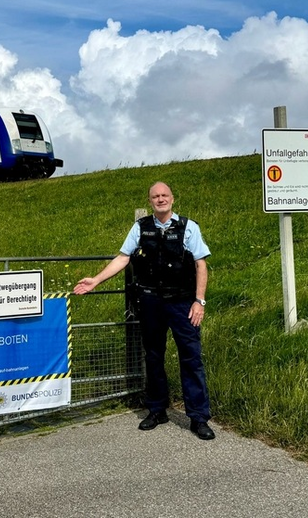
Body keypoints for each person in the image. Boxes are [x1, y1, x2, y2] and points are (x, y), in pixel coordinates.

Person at [73, 181, 215, 440]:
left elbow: (201, 265)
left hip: (183, 303)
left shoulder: (188, 227)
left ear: (173, 199)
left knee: (191, 359)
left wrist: (199, 301)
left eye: (164, 195)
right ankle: (157, 410)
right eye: (155, 196)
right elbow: (123, 257)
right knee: (153, 357)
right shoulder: (141, 227)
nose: (160, 199)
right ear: (150, 201)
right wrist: (96, 280)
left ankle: (198, 417)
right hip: (151, 302)